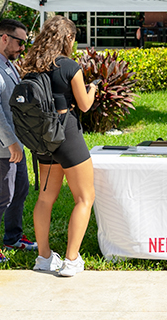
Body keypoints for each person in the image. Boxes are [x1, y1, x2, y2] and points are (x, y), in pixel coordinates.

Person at [20, 15, 97, 277]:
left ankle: (43, 257)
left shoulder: (31, 66)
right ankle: (71, 260)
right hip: (67, 136)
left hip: (43, 139)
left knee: (45, 198)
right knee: (85, 198)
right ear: (68, 39)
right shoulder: (69, 66)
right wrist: (93, 89)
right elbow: (84, 105)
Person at [0, 19, 37, 263]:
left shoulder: (6, 64)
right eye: (20, 42)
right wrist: (11, 142)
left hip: (15, 144)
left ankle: (13, 237)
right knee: (1, 196)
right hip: (0, 147)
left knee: (20, 191)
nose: (22, 47)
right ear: (4, 38)